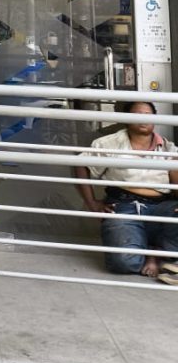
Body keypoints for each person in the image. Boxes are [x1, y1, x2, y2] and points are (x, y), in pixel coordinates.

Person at [74, 101, 178, 280]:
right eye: (137, 115)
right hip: (124, 205)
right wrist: (91, 203)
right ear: (126, 118)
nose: (143, 120)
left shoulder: (168, 148)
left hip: (161, 206)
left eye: (148, 115)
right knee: (123, 262)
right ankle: (155, 254)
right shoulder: (109, 143)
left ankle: (156, 254)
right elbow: (80, 165)